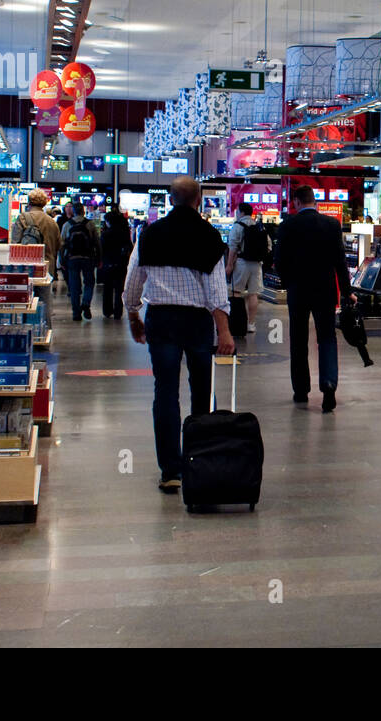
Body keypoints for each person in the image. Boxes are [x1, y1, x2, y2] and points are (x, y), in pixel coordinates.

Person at [123, 175, 235, 493]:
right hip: (198, 323)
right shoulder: (210, 236)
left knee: (166, 393)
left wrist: (133, 314)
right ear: (198, 200)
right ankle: (198, 462)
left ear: (170, 200)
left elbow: (134, 280)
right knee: (202, 392)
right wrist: (224, 333)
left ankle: (171, 471)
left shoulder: (150, 235)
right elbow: (216, 293)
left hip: (162, 320)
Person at [274, 185, 356, 413]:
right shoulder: (331, 225)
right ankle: (329, 386)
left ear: (297, 202)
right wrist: (346, 289)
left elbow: (279, 260)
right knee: (327, 338)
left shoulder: (287, 226)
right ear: (314, 201)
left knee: (298, 339)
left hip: (298, 290)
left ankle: (301, 390)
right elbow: (341, 261)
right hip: (325, 290)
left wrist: (287, 281)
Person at [11, 188, 62, 328]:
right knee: (45, 301)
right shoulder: (52, 222)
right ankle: (44, 330)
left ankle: (25, 332)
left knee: (25, 301)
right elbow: (58, 245)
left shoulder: (23, 218)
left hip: (26, 266)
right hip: (47, 267)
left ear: (29, 202)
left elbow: (15, 244)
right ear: (44, 203)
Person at [226, 202, 270, 333]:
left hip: (241, 263)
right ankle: (251, 324)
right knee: (253, 294)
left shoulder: (238, 226)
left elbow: (233, 247)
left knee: (236, 292)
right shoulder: (259, 226)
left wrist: (229, 265)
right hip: (257, 264)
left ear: (241, 212)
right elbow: (268, 246)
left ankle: (238, 322)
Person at [61, 202, 100, 320]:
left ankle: (76, 313)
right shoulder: (90, 224)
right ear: (83, 211)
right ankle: (86, 303)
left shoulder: (67, 225)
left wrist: (62, 260)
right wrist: (99, 258)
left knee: (74, 286)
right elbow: (97, 243)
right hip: (87, 258)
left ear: (73, 211)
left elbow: (62, 244)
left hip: (72, 259)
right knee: (89, 282)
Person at [99, 207, 134, 318]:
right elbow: (130, 247)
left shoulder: (105, 234)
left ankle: (107, 310)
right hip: (121, 264)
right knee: (120, 289)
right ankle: (118, 311)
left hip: (108, 264)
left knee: (107, 288)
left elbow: (101, 249)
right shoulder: (124, 233)